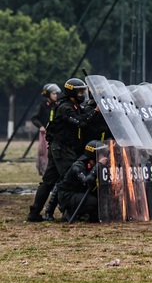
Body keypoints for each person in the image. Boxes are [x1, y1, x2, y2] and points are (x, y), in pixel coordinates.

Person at [27, 78, 99, 222]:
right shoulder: (65, 107)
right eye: (79, 91)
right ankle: (66, 211)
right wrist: (95, 111)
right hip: (62, 149)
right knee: (70, 179)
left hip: (60, 148)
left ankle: (36, 213)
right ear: (71, 91)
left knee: (49, 181)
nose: (82, 94)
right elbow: (80, 122)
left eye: (84, 91)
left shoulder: (74, 106)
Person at [57, 140, 108, 223]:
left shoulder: (92, 165)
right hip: (67, 195)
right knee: (93, 202)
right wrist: (98, 166)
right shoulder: (78, 166)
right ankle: (70, 211)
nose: (103, 157)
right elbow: (86, 181)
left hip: (79, 192)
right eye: (100, 154)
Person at [30, 83, 61, 175]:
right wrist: (41, 127)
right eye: (53, 94)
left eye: (56, 94)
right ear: (48, 95)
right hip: (45, 134)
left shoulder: (57, 105)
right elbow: (34, 118)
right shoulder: (42, 105)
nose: (56, 96)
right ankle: (44, 170)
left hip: (56, 133)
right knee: (44, 153)